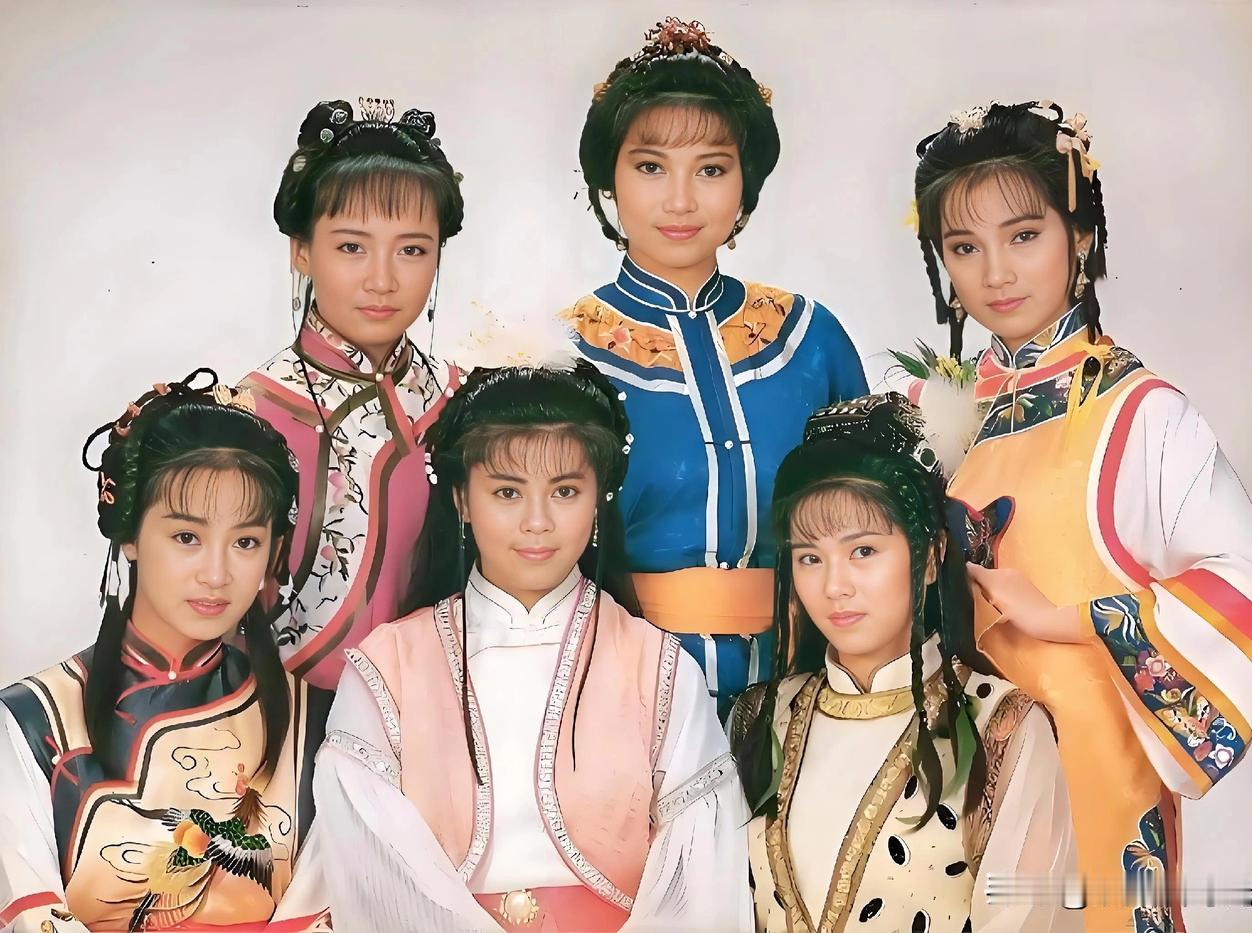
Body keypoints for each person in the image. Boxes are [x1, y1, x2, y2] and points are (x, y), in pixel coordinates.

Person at [910, 99, 1252, 932]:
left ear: (1079, 237)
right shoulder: (936, 415)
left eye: (1023, 235)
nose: (995, 273)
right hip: (959, 781)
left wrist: (1070, 617)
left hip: (1089, 772)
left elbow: (1250, 594)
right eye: (964, 247)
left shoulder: (1139, 413)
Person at [298, 356, 751, 931]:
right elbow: (367, 863)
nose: (537, 522)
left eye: (565, 491)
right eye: (508, 492)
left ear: (599, 499)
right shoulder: (389, 667)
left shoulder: (657, 666)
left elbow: (700, 876)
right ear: (463, 500)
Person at [566, 18, 869, 716]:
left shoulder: (810, 339)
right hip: (623, 703)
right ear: (609, 178)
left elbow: (878, 526)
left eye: (711, 169)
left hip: (808, 698)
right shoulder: (566, 356)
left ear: (745, 185)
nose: (680, 200)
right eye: (650, 167)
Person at [732, 393, 1077, 932]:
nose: (835, 585)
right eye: (809, 557)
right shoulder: (759, 720)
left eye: (863, 551)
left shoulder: (1001, 727)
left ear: (932, 555)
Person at [0, 372, 329, 932]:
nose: (217, 574)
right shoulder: (30, 724)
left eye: (245, 542)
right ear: (129, 534)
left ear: (274, 551)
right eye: (186, 537)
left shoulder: (317, 724)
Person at [241, 97, 464, 689]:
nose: (382, 280)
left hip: (436, 713)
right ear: (301, 250)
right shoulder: (251, 415)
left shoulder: (461, 403)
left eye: (412, 249)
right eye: (351, 247)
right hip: (280, 717)